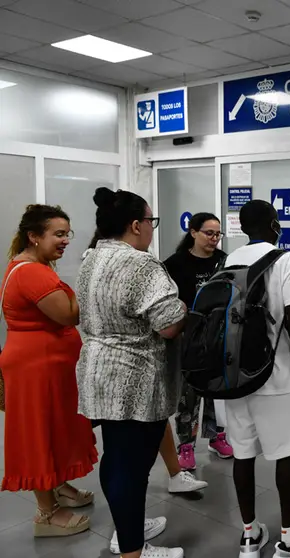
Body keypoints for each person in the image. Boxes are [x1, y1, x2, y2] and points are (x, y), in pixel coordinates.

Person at [76, 188, 186, 558]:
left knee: (117, 459)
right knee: (133, 468)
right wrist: (186, 306)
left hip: (99, 373)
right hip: (135, 381)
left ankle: (129, 529)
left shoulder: (92, 257)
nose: (152, 230)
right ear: (136, 225)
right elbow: (169, 324)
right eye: (151, 222)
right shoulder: (141, 265)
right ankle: (133, 550)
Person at [223, 200, 290, 558]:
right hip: (275, 375)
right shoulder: (285, 261)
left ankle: (250, 536)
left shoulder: (230, 260)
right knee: (286, 454)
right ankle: (289, 537)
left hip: (233, 375)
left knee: (243, 454)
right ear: (273, 224)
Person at [0, 204, 98, 538]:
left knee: (54, 429)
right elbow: (68, 315)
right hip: (34, 368)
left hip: (47, 366)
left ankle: (57, 486)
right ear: (33, 235)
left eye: (66, 233)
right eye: (58, 234)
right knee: (39, 433)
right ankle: (46, 513)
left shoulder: (37, 266)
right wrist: (90, 284)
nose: (65, 240)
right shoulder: (30, 272)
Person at [163, 212, 234, 468]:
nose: (214, 239)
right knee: (189, 393)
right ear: (193, 232)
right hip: (188, 337)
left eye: (218, 234)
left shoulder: (224, 262)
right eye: (209, 233)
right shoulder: (175, 264)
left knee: (217, 388)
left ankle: (217, 436)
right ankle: (185, 445)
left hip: (218, 336)